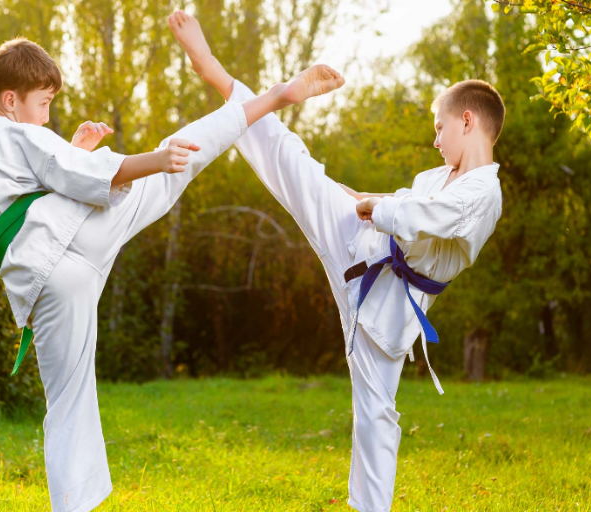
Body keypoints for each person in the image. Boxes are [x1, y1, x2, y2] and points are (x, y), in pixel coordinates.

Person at [0, 33, 344, 512]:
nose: (46, 116)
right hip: (78, 235)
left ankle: (71, 506)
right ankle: (274, 97)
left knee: (67, 404)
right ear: (10, 100)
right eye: (43, 103)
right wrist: (150, 162)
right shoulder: (19, 132)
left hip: (45, 283)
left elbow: (18, 201)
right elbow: (57, 170)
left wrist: (75, 154)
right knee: (177, 161)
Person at [167, 9, 504, 512]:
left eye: (440, 128)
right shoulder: (440, 176)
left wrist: (373, 206)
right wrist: (349, 195)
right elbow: (390, 202)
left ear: (468, 120)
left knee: (376, 415)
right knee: (292, 159)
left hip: (390, 306)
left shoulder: (483, 192)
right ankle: (211, 67)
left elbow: (419, 217)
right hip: (361, 243)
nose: (435, 141)